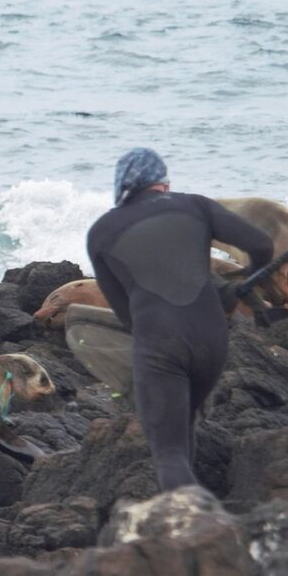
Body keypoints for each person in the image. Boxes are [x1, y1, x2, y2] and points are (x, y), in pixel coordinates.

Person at [85, 148, 272, 491]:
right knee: (185, 424)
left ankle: (196, 531)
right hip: (212, 341)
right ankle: (199, 516)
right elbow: (261, 243)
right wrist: (251, 279)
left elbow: (126, 314)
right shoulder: (196, 205)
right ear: (163, 184)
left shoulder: (101, 232)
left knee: (168, 452)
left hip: (160, 343)